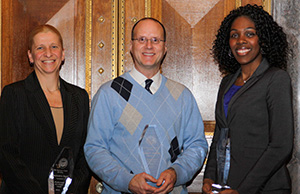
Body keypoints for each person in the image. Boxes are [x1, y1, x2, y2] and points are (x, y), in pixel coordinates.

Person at [84, 17, 208, 194]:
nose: (149, 45)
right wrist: (127, 181)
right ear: (131, 47)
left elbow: (197, 145)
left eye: (155, 40)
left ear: (164, 48)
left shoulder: (182, 96)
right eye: (142, 39)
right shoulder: (109, 94)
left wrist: (176, 173)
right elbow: (94, 149)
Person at [202, 4, 293, 194]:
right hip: (226, 186)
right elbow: (220, 135)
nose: (241, 41)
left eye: (250, 34)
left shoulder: (276, 79)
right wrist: (210, 176)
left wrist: (243, 190)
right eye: (234, 35)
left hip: (266, 189)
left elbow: (281, 146)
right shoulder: (227, 82)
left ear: (263, 40)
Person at [0, 24, 91, 194]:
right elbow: (6, 154)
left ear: (63, 54)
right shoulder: (14, 94)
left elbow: (85, 154)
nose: (48, 53)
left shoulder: (79, 97)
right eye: (40, 47)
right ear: (31, 56)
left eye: (54, 47)